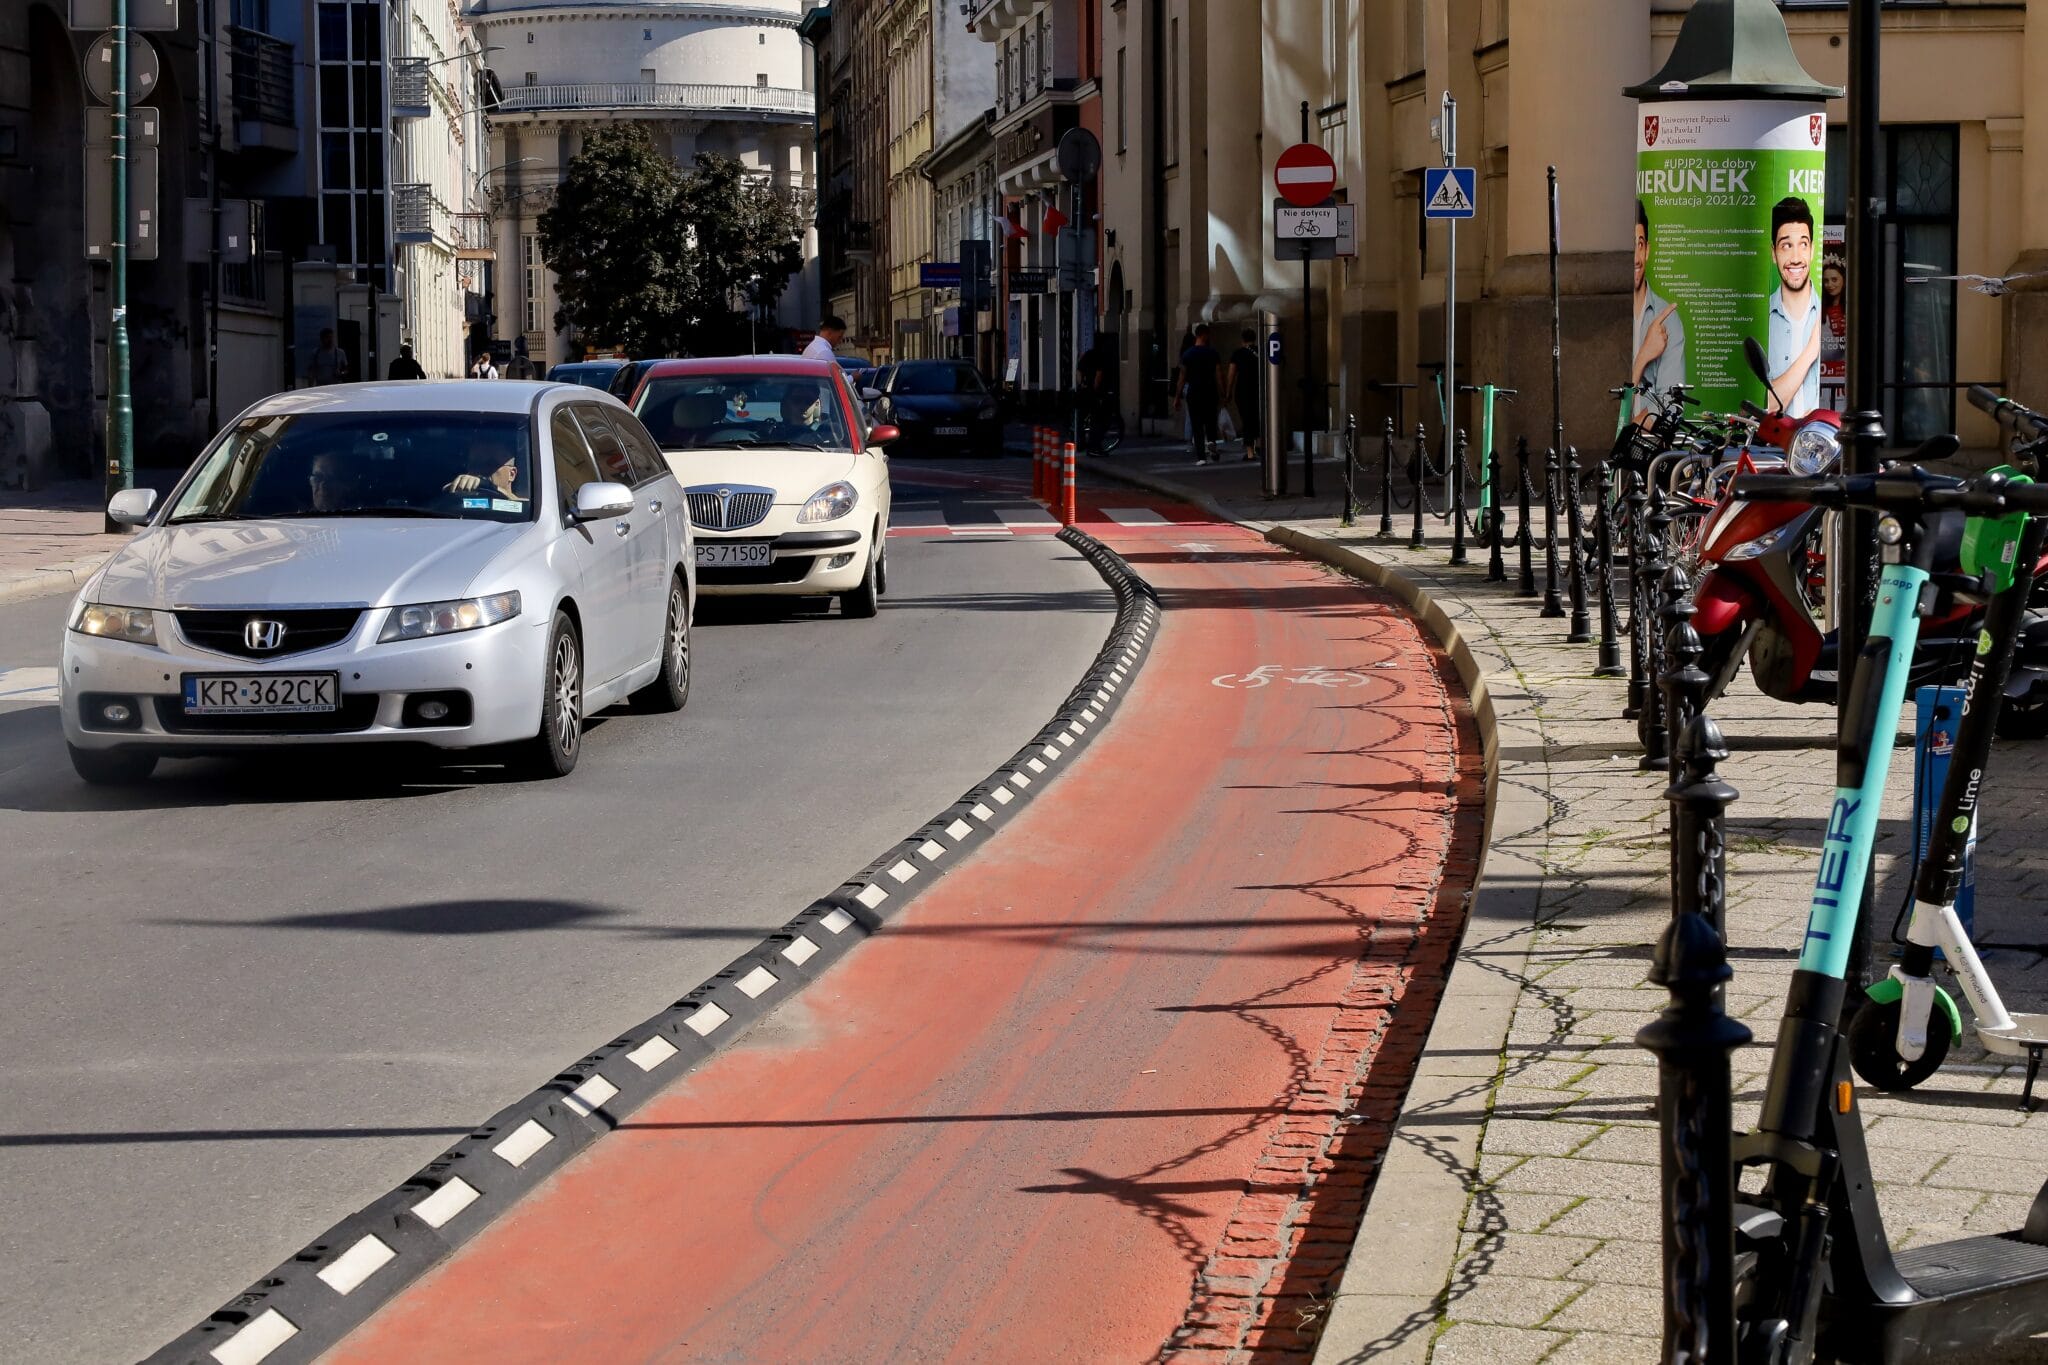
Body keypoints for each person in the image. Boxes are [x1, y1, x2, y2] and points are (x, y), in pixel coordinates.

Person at [1765, 196, 1822, 417]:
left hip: (1822, 447)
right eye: (1786, 245)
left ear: (1812, 249)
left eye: (1803, 244)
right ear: (1773, 253)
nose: (1796, 257)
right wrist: (1811, 351)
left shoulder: (1829, 312)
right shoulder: (1762, 317)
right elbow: (1764, 406)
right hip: (1770, 448)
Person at [1630, 200, 1685, 422]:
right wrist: (1643, 356)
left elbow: (1670, 407)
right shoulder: (1606, 315)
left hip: (1649, 450)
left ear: (1647, 250)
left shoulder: (1667, 319)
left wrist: (1623, 440)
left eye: (1639, 244)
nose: (1635, 257)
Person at [1172, 323, 1224, 465]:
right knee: (1210, 421)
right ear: (1205, 335)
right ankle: (1212, 441)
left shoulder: (1188, 354)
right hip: (1210, 391)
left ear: (1196, 335)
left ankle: (1201, 457)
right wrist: (1223, 391)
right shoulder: (1213, 353)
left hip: (1194, 392)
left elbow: (1182, 377)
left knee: (1197, 424)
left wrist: (1177, 397)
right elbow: (1218, 373)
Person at [445, 440, 524, 503]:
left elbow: (523, 506)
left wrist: (488, 486)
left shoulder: (527, 512)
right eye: (475, 464)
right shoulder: (458, 504)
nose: (480, 471)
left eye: (490, 464)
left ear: (512, 474)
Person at [1226, 327, 1263, 463]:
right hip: (1259, 388)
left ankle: (1250, 453)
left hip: (1243, 390)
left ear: (1242, 340)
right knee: (1259, 417)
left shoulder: (1238, 353)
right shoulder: (1261, 351)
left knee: (1247, 419)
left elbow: (1231, 374)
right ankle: (1259, 444)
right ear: (1254, 338)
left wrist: (1228, 392)